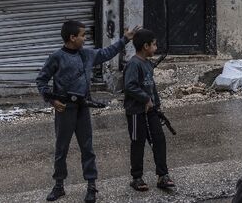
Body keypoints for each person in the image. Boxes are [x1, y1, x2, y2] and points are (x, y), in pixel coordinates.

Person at [36, 20, 138, 202]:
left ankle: (91, 186)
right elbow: (41, 81)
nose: (85, 38)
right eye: (82, 35)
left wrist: (125, 40)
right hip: (65, 110)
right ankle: (59, 185)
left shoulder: (87, 54)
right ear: (72, 37)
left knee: (87, 148)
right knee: (61, 149)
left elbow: (107, 53)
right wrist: (52, 100)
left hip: (83, 108)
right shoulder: (57, 57)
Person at [124, 28, 175, 192]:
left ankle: (162, 175)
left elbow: (150, 87)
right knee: (138, 143)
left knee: (159, 140)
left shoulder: (147, 64)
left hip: (151, 111)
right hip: (136, 112)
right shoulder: (133, 64)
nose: (156, 47)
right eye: (154, 45)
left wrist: (156, 105)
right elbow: (130, 86)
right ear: (145, 46)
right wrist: (145, 99)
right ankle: (137, 177)